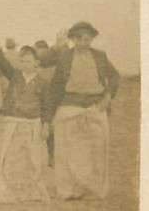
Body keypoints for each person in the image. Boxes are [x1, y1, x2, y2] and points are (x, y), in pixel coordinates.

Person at [39, 22, 119, 200]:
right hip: (69, 105)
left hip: (95, 106)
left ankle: (93, 189)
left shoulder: (100, 56)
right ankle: (69, 190)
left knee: (96, 148)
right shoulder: (63, 55)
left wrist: (107, 97)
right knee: (67, 150)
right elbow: (42, 62)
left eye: (88, 39)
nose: (85, 42)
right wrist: (55, 48)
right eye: (81, 39)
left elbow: (114, 76)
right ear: (73, 39)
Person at [0, 22, 51, 202]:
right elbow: (1, 60)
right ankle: (9, 191)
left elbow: (46, 107)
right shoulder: (14, 76)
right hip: (13, 123)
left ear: (37, 63)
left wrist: (46, 125)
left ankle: (32, 191)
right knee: (10, 156)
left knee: (32, 158)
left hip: (33, 124)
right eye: (22, 61)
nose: (25, 64)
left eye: (29, 61)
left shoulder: (43, 83)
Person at [34, 39, 57, 167]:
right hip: (37, 102)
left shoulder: (55, 68)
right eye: (39, 51)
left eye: (44, 51)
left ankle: (51, 156)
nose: (41, 54)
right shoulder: (33, 67)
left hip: (51, 102)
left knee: (51, 130)